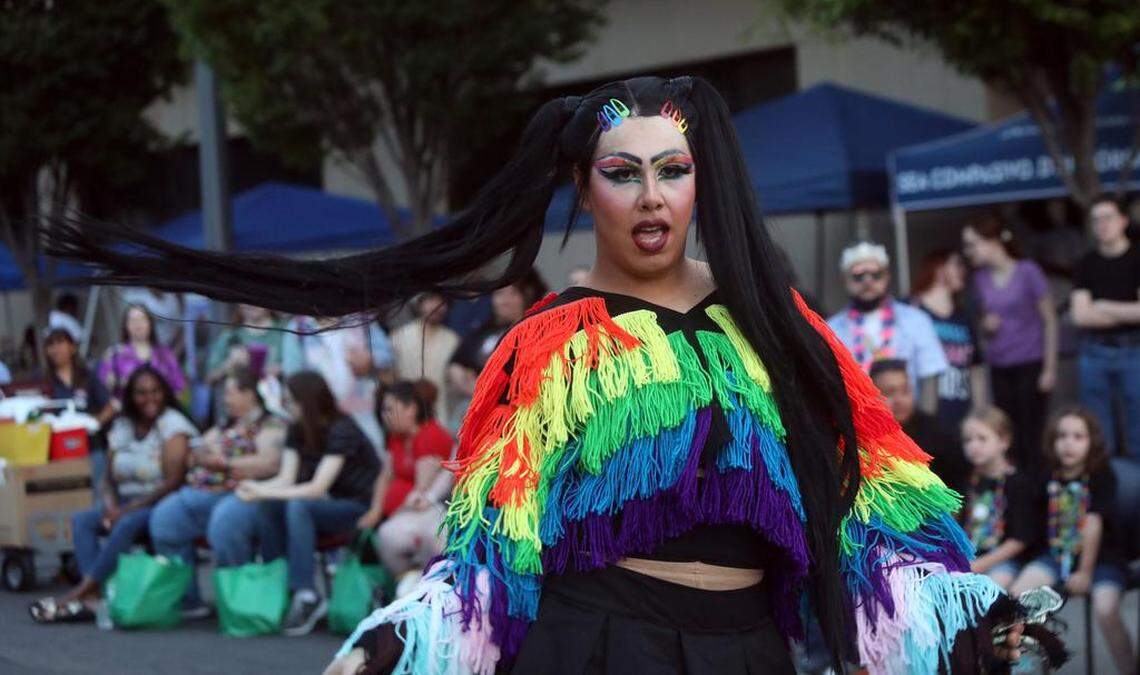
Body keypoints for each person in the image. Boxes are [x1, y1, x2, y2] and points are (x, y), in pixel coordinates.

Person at [48, 76, 1036, 674]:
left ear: (705, 180)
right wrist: (397, 642)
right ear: (582, 185)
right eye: (622, 171)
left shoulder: (777, 327)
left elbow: (875, 492)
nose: (652, 196)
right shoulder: (548, 342)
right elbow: (487, 543)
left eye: (673, 169)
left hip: (750, 653)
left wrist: (966, 615)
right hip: (597, 645)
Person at [27, 366, 196, 623]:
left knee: (126, 523)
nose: (150, 398)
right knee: (82, 520)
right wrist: (109, 506)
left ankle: (83, 590)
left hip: (160, 503)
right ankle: (97, 597)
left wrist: (123, 512)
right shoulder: (123, 425)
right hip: (126, 503)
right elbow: (107, 478)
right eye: (141, 393)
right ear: (131, 396)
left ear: (164, 392)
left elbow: (172, 482)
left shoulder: (173, 424)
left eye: (155, 391)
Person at [235, 371, 380, 637]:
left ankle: (306, 594)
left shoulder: (342, 428)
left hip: (359, 507)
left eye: (292, 401)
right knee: (271, 506)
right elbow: (285, 479)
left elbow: (317, 488)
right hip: (326, 505)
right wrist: (257, 489)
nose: (288, 407)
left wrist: (260, 491)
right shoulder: (297, 428)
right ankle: (276, 581)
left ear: (308, 401)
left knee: (297, 506)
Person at [148, 367, 285, 616]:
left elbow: (270, 462)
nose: (225, 399)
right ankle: (188, 598)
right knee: (165, 516)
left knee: (225, 522)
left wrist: (225, 463)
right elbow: (196, 451)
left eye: (230, 393)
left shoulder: (270, 424)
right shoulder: (224, 425)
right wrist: (202, 456)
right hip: (204, 491)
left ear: (250, 394)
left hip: (246, 493)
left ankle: (236, 599)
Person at [1011, 407, 1132, 674]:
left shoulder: (1101, 476)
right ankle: (1035, 660)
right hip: (1055, 555)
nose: (1069, 443)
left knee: (1106, 608)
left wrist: (1084, 572)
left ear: (1092, 442)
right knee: (1018, 597)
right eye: (1062, 436)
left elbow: (1093, 522)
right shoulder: (1045, 476)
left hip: (1101, 560)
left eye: (1078, 436)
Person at [962, 212, 1058, 471]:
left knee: (1032, 431)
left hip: (1031, 361)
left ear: (992, 240)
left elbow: (1049, 320)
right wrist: (986, 325)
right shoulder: (980, 279)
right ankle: (1013, 490)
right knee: (1006, 431)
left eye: (973, 243)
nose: (969, 251)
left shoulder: (1028, 271)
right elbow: (980, 325)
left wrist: (1050, 368)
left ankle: (1037, 487)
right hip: (999, 365)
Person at [827, 241, 948, 415]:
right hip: (858, 426)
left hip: (909, 426)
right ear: (845, 280)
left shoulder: (915, 319)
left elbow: (929, 377)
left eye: (876, 274)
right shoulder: (831, 329)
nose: (868, 281)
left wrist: (925, 427)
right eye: (858, 276)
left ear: (887, 276)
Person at [358, 381, 454, 578]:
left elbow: (420, 491)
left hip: (423, 514)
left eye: (390, 410)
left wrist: (389, 516)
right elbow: (385, 476)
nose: (385, 416)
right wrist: (376, 510)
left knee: (390, 535)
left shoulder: (430, 436)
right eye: (383, 411)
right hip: (400, 515)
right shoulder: (397, 438)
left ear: (411, 408)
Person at [1070, 196, 1140, 458]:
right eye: (1096, 219)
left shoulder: (1136, 257)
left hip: (1134, 350)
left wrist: (1102, 305)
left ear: (1122, 220)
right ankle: (1105, 490)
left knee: (1137, 427)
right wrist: (1127, 310)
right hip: (1094, 352)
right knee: (1097, 430)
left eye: (1108, 217)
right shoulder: (1086, 263)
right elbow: (1080, 317)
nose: (1102, 224)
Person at [446, 268, 546, 430]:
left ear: (527, 294)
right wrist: (473, 388)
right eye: (499, 294)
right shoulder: (484, 331)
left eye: (512, 294)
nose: (503, 301)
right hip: (479, 411)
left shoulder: (537, 332)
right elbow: (456, 363)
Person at [959, 408, 1041, 591]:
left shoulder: (1018, 483)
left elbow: (1020, 539)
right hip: (972, 557)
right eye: (968, 440)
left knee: (990, 591)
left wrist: (982, 563)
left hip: (1004, 561)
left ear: (1004, 441)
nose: (973, 446)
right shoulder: (968, 481)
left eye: (982, 439)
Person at [282, 315, 392, 451]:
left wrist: (369, 358)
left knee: (373, 452)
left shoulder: (361, 320)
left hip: (361, 409)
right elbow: (293, 376)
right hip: (321, 416)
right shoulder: (298, 326)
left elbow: (387, 356)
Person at [912, 248, 988, 432]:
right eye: (957, 264)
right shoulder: (912, 312)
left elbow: (976, 369)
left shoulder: (964, 317)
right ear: (938, 268)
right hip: (924, 412)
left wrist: (980, 414)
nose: (964, 270)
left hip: (961, 413)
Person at [870, 359, 969, 495]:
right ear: (872, 397)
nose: (899, 400)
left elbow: (959, 482)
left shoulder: (937, 431)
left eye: (905, 391)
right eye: (889, 393)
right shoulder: (866, 439)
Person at [42, 327, 116, 501]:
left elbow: (110, 406)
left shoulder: (88, 375)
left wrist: (94, 423)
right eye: (50, 344)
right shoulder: (43, 380)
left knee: (98, 494)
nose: (55, 348)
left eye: (60, 342)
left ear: (72, 347)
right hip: (58, 451)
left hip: (92, 446)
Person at [389, 293, 461, 423]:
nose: (437, 306)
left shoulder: (452, 340)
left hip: (440, 418)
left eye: (442, 301)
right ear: (419, 303)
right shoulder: (399, 336)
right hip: (405, 417)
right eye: (431, 299)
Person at [98, 303, 186, 400]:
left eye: (142, 319)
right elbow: (103, 390)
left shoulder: (166, 355)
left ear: (150, 323)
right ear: (126, 326)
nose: (138, 324)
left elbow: (179, 389)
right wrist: (111, 381)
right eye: (133, 320)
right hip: (124, 412)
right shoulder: (114, 354)